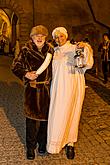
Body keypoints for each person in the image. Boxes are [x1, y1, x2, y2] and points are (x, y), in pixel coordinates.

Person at [47, 27, 94, 159]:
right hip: (57, 88)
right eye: (56, 37)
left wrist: (86, 47)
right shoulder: (54, 51)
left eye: (61, 36)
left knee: (72, 113)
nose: (59, 39)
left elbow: (87, 63)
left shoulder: (74, 48)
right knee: (57, 113)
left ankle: (70, 143)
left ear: (66, 36)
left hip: (72, 86)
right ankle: (55, 144)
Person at [11, 25, 53, 160]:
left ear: (46, 37)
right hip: (32, 91)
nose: (39, 38)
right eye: (36, 35)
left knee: (45, 120)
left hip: (47, 90)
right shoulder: (26, 50)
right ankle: (30, 147)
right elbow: (15, 66)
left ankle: (42, 144)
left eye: (42, 35)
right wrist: (26, 74)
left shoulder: (51, 50)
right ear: (32, 37)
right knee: (31, 121)